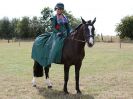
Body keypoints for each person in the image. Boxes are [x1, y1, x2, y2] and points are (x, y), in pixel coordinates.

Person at [32, 3, 71, 67]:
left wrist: (69, 33)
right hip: (57, 34)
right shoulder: (54, 18)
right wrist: (58, 32)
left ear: (62, 10)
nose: (59, 10)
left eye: (60, 9)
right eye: (58, 9)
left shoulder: (65, 18)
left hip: (65, 33)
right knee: (57, 44)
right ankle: (50, 58)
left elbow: (68, 27)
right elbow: (53, 28)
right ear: (56, 9)